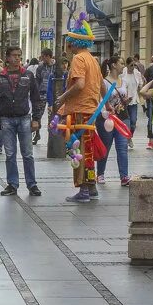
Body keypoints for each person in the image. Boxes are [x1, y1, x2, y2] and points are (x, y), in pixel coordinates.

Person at [56, 18, 105, 203]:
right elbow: (100, 84)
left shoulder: (78, 58)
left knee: (78, 150)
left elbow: (80, 84)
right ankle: (91, 188)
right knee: (88, 149)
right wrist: (106, 106)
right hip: (92, 110)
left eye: (68, 42)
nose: (67, 46)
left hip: (79, 110)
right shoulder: (92, 59)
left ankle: (83, 189)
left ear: (72, 43)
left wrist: (63, 97)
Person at [0, 47, 43, 197]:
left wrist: (36, 119)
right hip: (6, 119)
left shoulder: (28, 75)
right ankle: (12, 184)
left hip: (24, 118)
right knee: (10, 154)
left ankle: (32, 184)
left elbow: (36, 99)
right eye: (14, 55)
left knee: (28, 154)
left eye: (19, 55)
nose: (17, 58)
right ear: (7, 58)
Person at [96, 58, 130, 188]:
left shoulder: (124, 81)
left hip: (122, 117)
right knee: (105, 146)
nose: (123, 66)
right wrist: (109, 108)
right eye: (121, 63)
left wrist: (125, 101)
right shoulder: (104, 82)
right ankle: (100, 173)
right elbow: (100, 101)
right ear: (114, 65)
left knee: (122, 147)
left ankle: (124, 176)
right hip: (107, 119)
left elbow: (123, 98)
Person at [30, 49, 55, 147]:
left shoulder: (55, 67)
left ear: (48, 56)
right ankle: (37, 134)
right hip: (42, 92)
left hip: (53, 94)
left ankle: (51, 136)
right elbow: (37, 81)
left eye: (43, 56)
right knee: (38, 114)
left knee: (52, 116)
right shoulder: (40, 67)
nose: (42, 58)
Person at [117, 58, 144, 135]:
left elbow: (140, 85)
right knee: (125, 121)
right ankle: (125, 137)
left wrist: (141, 87)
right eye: (131, 65)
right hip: (124, 101)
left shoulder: (137, 73)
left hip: (133, 101)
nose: (133, 67)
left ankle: (129, 136)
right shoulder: (122, 73)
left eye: (134, 65)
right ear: (127, 65)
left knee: (133, 121)